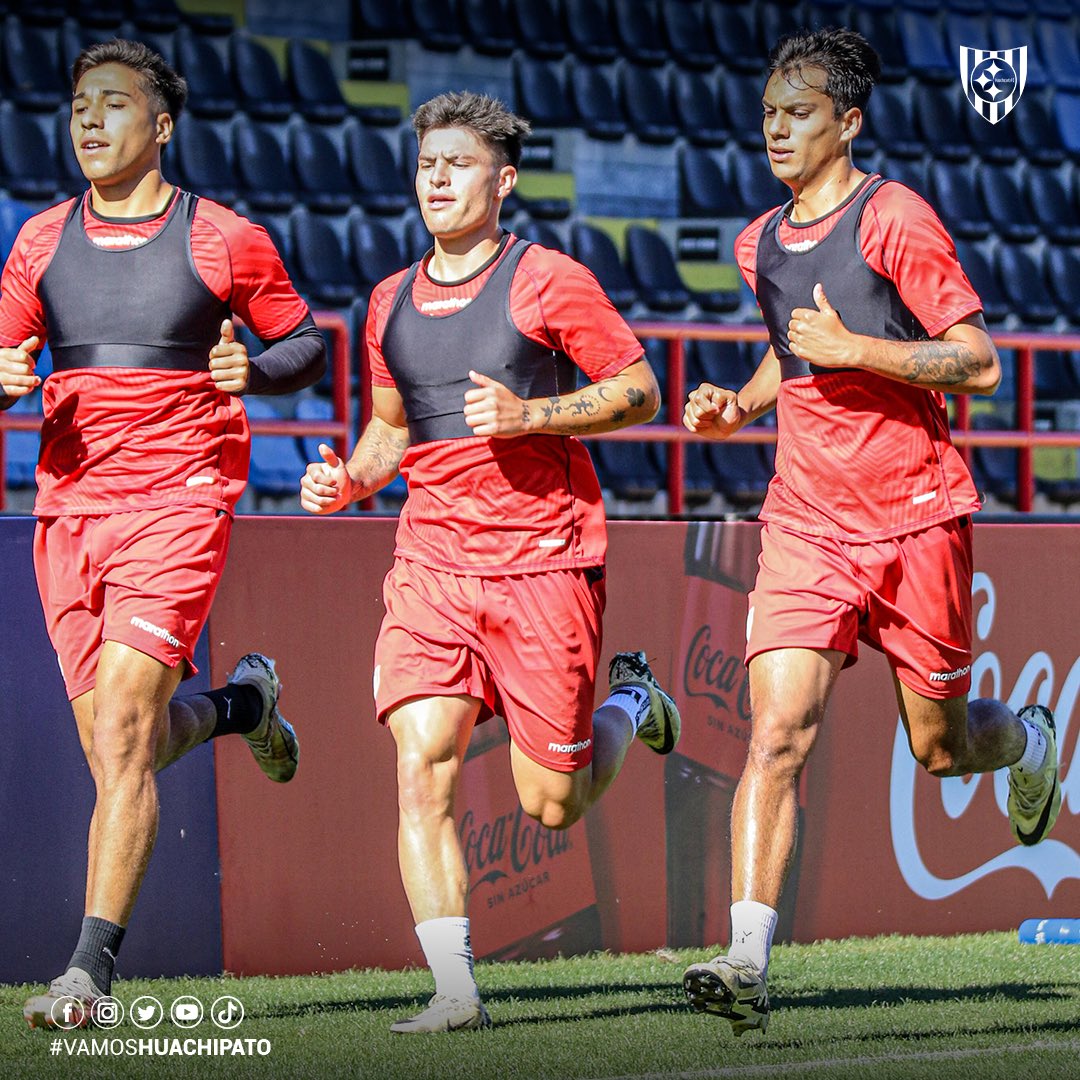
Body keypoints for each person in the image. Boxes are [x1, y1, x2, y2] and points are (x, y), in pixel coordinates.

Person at [681, 28, 1060, 1037]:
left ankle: (1027, 738)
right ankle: (747, 960)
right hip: (805, 521)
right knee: (776, 732)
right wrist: (745, 406)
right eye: (767, 113)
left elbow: (976, 364)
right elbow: (787, 355)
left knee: (938, 749)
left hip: (916, 520)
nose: (775, 129)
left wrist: (861, 349)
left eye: (796, 113)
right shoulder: (758, 240)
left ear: (846, 123)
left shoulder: (895, 218)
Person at [300, 90, 681, 1034]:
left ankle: (631, 702)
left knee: (552, 805)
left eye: (457, 163)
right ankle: (455, 991)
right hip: (431, 564)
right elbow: (392, 429)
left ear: (502, 180)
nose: (436, 178)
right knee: (420, 761)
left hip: (544, 563)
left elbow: (640, 389)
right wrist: (349, 479)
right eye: (426, 163)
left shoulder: (549, 280)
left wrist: (531, 415)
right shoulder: (388, 299)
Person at [0, 39, 326, 1028]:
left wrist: (255, 375)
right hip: (70, 508)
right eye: (77, 105)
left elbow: (304, 341)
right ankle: (241, 708)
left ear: (163, 125)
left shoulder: (225, 236)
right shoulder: (40, 241)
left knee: (127, 731)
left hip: (180, 499)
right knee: (117, 749)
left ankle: (87, 973)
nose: (90, 121)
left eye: (113, 104)